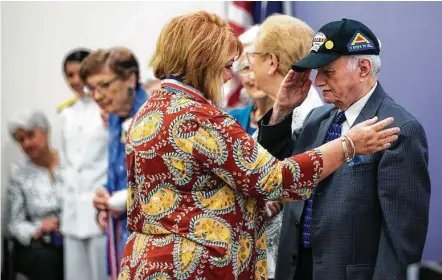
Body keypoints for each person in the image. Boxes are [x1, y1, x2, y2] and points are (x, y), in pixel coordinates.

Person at [117, 11, 399, 279]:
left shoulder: (151, 109)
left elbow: (204, 189)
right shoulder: (199, 118)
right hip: (196, 268)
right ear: (202, 61)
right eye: (228, 66)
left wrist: (280, 113)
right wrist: (348, 145)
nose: (230, 77)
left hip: (151, 261)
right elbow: (273, 179)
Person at [258, 18, 431, 280]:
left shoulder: (397, 129)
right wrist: (281, 110)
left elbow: (400, 241)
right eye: (316, 72)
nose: (318, 82)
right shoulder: (317, 119)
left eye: (328, 71)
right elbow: (274, 171)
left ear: (363, 68)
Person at [247, 14, 324, 279]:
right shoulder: (286, 113)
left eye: (253, 55)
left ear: (271, 62)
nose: (249, 64)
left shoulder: (306, 118)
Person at [80, 47, 149, 280]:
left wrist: (124, 199)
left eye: (105, 85)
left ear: (130, 79)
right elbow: (118, 174)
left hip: (150, 244)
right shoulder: (112, 116)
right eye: (92, 88)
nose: (97, 95)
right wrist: (105, 195)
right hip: (119, 237)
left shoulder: (152, 115)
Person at [57, 48, 108, 280]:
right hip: (72, 210)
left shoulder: (108, 109)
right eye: (70, 75)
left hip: (99, 208)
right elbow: (64, 163)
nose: (75, 81)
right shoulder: (65, 114)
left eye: (80, 73)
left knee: (102, 274)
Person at [7, 111, 64, 280]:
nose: (27, 143)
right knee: (49, 261)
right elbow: (14, 223)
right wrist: (39, 227)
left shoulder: (69, 163)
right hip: (40, 244)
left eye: (31, 135)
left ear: (45, 132)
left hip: (72, 233)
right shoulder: (18, 174)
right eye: (21, 140)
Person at [229, 25, 273, 136]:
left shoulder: (294, 117)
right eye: (246, 68)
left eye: (259, 68)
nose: (252, 77)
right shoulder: (233, 119)